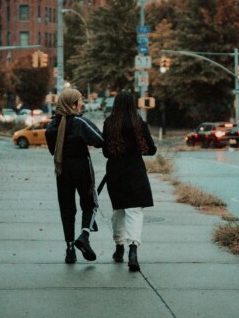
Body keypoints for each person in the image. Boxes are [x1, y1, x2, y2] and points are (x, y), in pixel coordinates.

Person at [45, 87, 104, 263]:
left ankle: (70, 249)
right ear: (73, 103)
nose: (82, 103)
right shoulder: (80, 123)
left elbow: (52, 151)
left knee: (67, 208)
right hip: (82, 169)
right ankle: (84, 236)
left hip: (62, 170)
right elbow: (100, 140)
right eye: (80, 100)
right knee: (90, 203)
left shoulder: (51, 126)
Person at [100, 91, 157, 273]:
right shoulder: (139, 123)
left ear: (115, 105)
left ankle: (119, 247)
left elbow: (106, 152)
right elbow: (152, 149)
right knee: (135, 211)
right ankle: (133, 250)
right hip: (135, 171)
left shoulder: (109, 123)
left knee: (119, 210)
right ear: (133, 105)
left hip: (116, 171)